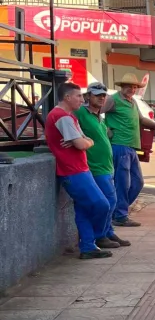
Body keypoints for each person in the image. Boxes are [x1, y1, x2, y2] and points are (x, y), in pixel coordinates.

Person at [45, 82, 113, 260]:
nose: (82, 100)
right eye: (78, 96)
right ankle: (97, 236)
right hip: (73, 171)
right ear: (67, 97)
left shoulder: (68, 116)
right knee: (102, 205)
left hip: (78, 169)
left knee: (83, 209)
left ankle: (88, 246)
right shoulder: (63, 117)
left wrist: (83, 141)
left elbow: (84, 141)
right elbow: (83, 143)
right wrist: (84, 141)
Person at [102, 73, 155, 228]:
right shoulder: (113, 99)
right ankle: (120, 215)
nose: (132, 89)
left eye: (135, 86)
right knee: (122, 183)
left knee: (137, 182)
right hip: (119, 145)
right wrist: (105, 128)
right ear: (122, 87)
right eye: (129, 86)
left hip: (131, 147)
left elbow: (141, 119)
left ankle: (117, 211)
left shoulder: (133, 102)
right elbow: (95, 111)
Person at [76, 82, 130, 250]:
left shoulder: (99, 117)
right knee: (108, 201)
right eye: (97, 94)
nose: (101, 97)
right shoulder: (81, 113)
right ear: (88, 96)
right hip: (95, 167)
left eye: (103, 95)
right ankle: (100, 235)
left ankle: (107, 232)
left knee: (110, 200)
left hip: (107, 166)